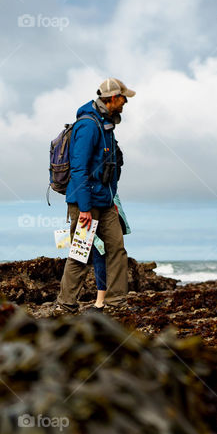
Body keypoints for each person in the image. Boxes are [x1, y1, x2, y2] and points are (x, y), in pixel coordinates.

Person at [56, 78, 134, 313]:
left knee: (117, 250)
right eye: (123, 98)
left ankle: (116, 302)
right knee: (81, 253)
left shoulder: (106, 123)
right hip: (85, 203)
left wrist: (112, 198)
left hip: (106, 201)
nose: (126, 102)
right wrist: (85, 208)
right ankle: (65, 304)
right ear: (112, 99)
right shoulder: (89, 125)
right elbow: (79, 169)